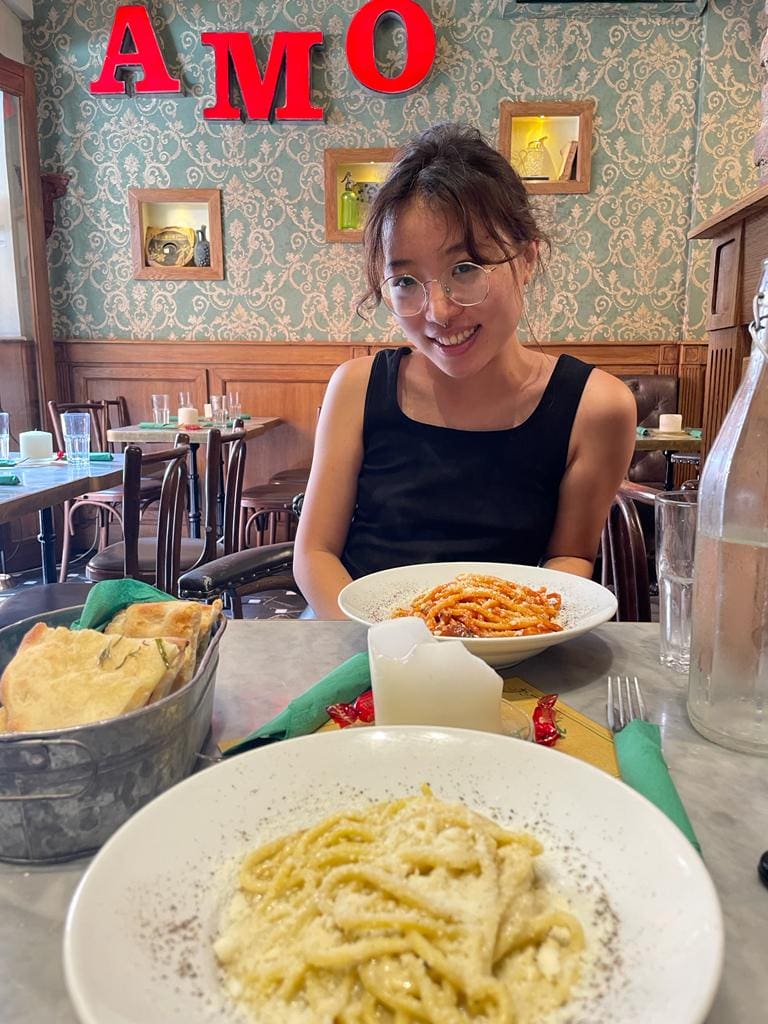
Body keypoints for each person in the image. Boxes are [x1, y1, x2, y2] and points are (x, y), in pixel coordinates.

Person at [294, 123, 636, 619]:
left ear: (527, 260)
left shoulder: (596, 408)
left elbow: (571, 555)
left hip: (508, 647)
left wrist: (514, 633)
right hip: (357, 642)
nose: (438, 312)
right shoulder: (357, 387)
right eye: (406, 280)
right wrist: (387, 644)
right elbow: (315, 553)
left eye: (466, 269)